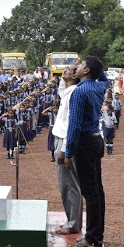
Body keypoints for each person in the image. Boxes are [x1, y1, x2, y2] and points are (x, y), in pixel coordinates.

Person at [64, 56, 109, 247]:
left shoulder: (79, 92)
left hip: (84, 142)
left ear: (87, 71)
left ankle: (90, 239)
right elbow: (104, 79)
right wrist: (97, 67)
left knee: (89, 192)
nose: (77, 67)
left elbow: (73, 127)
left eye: (81, 65)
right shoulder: (99, 87)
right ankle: (96, 235)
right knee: (97, 190)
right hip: (96, 139)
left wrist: (68, 152)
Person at [53, 65, 82, 236]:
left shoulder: (74, 93)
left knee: (69, 184)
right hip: (61, 139)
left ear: (75, 76)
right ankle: (72, 220)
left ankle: (73, 224)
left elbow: (71, 123)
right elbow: (60, 90)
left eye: (69, 69)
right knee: (67, 183)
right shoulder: (68, 91)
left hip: (65, 141)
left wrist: (65, 150)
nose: (66, 70)